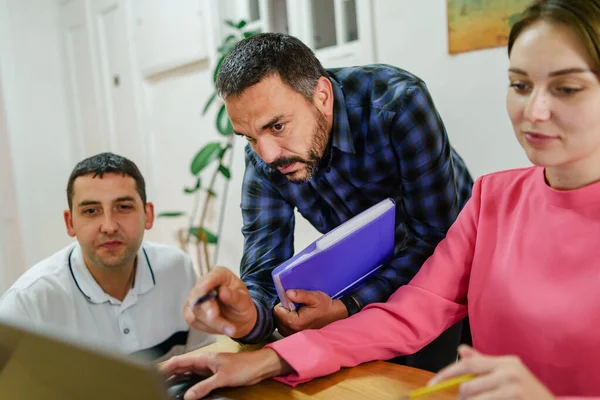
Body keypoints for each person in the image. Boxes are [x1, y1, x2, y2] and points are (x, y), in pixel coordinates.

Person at [162, 0, 600, 398]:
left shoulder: (398, 104)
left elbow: (427, 245)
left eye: (566, 88)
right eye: (519, 85)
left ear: (322, 96)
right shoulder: (492, 198)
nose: (534, 111)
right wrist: (270, 353)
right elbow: (410, 312)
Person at [184, 32, 474, 372]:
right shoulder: (263, 157)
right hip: (370, 273)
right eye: (249, 137)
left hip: (457, 266)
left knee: (436, 381)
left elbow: (434, 238)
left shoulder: (398, 103)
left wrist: (348, 306)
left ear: (322, 96)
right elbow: (262, 273)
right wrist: (248, 318)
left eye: (277, 126)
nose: (268, 155)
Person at [0, 152, 214, 361]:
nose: (109, 226)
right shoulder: (29, 302)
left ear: (147, 215)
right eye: (91, 211)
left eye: (123, 207)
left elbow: (204, 363)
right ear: (70, 222)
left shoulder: (177, 269)